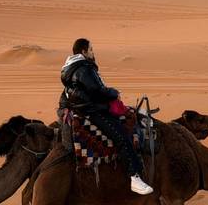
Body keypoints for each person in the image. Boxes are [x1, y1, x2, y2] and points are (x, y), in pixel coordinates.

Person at [59, 38, 153, 195]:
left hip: (85, 108)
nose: (93, 52)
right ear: (83, 52)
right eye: (91, 49)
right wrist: (114, 92)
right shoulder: (84, 68)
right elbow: (98, 91)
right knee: (122, 137)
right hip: (92, 111)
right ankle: (135, 178)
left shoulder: (70, 68)